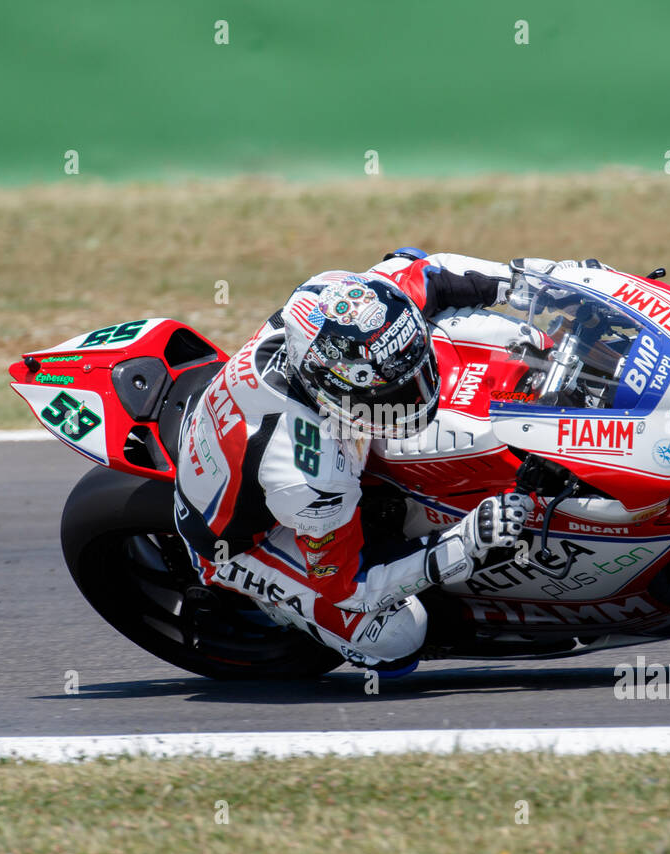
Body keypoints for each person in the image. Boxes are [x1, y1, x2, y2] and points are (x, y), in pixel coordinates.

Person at [172, 248, 546, 673]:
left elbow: (427, 271)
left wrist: (538, 282)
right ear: (328, 390)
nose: (415, 399)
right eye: (391, 398)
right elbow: (345, 587)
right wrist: (464, 545)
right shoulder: (309, 474)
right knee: (398, 637)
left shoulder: (347, 305)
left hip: (277, 441)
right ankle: (277, 605)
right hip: (239, 543)